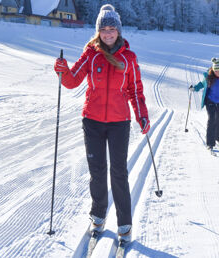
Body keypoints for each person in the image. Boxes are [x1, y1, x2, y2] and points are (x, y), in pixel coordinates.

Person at [54, 4, 150, 244]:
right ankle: (98, 216)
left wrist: (142, 116)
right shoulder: (91, 54)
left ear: (118, 31)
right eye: (104, 29)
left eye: (112, 29)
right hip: (92, 122)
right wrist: (63, 71)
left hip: (119, 123)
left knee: (119, 173)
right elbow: (73, 80)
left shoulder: (129, 58)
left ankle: (124, 224)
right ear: (98, 31)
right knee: (97, 173)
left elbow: (135, 90)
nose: (108, 33)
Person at [190, 57, 219, 151]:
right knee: (211, 120)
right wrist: (194, 88)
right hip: (210, 101)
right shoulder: (208, 77)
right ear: (213, 70)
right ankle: (210, 143)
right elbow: (201, 84)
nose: (218, 73)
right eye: (216, 71)